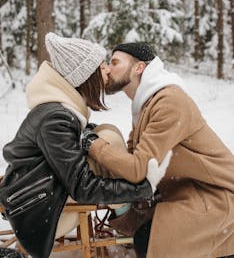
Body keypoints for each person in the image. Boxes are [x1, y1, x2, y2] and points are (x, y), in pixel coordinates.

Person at [0, 35, 170, 258]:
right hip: (41, 213)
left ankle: (129, 212)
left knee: (104, 134)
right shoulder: (54, 119)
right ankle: (131, 217)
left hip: (49, 195)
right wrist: (143, 188)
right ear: (85, 76)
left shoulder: (60, 111)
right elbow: (83, 187)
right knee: (107, 139)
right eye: (101, 67)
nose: (108, 71)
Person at [84, 42, 234, 258]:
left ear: (139, 68)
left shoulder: (169, 101)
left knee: (150, 240)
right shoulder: (146, 104)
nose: (107, 69)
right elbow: (132, 157)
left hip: (217, 195)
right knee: (146, 236)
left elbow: (138, 168)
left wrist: (92, 144)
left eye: (114, 62)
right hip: (189, 192)